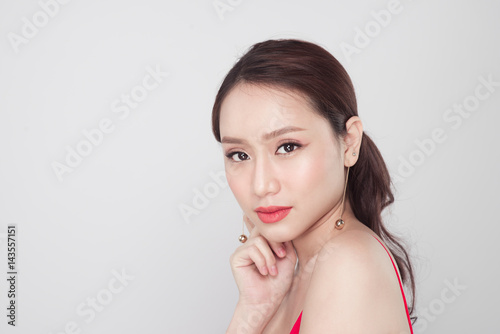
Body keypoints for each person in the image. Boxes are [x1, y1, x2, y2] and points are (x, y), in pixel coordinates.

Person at [211, 39, 416, 333]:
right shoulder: (293, 278)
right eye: (239, 155)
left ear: (349, 142)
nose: (261, 185)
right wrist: (251, 311)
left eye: (288, 147)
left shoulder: (348, 262)